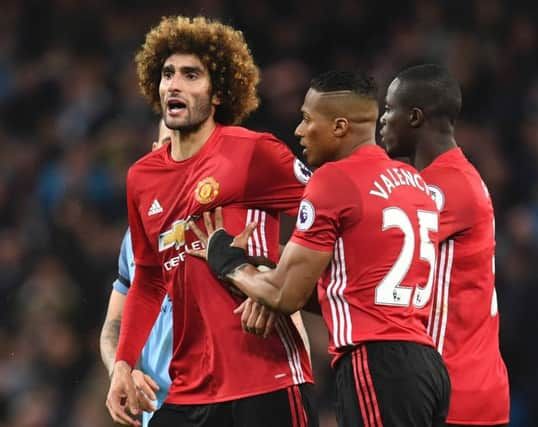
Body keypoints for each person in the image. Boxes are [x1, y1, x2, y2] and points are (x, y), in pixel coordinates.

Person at [190, 70, 451, 426]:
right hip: (428, 367)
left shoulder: (333, 180)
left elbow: (285, 295)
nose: (299, 130)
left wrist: (228, 260)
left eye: (307, 119)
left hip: (375, 363)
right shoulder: (416, 186)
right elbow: (350, 289)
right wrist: (266, 267)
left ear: (340, 127)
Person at [105, 15, 315, 427]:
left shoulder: (253, 152)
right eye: (168, 74)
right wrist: (123, 365)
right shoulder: (142, 178)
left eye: (191, 75)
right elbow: (148, 278)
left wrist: (282, 285)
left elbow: (327, 214)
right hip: (187, 388)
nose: (175, 85)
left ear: (218, 92)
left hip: (265, 378)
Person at [379, 64, 510, 427]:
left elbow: (373, 257)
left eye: (390, 109)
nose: (383, 121)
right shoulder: (454, 178)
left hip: (451, 391)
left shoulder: (442, 188)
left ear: (416, 117)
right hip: (467, 385)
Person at [100, 119, 174, 427]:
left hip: (224, 405)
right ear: (155, 152)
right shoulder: (135, 238)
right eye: (170, 143)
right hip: (159, 411)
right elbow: (113, 324)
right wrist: (122, 368)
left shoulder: (234, 225)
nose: (179, 153)